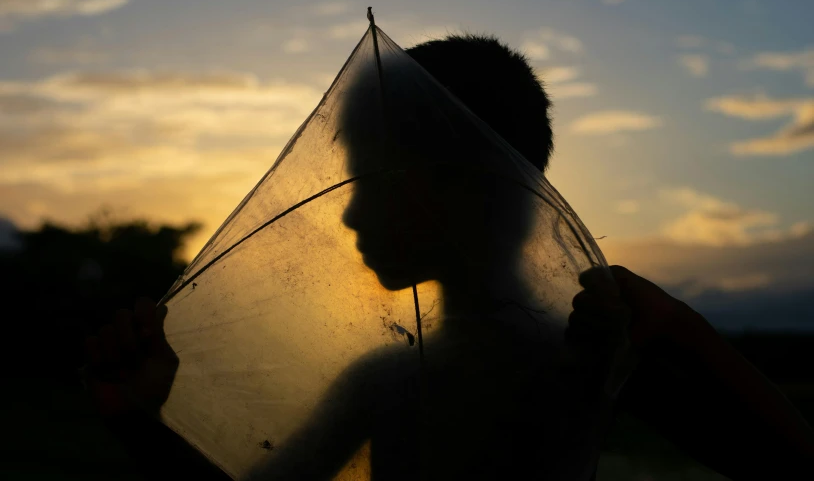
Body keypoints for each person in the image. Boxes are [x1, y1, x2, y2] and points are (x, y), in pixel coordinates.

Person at [85, 34, 814, 480]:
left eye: (374, 178)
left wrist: (682, 334)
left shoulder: (589, 347)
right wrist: (141, 420)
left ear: (470, 189)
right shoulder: (388, 374)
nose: (347, 209)